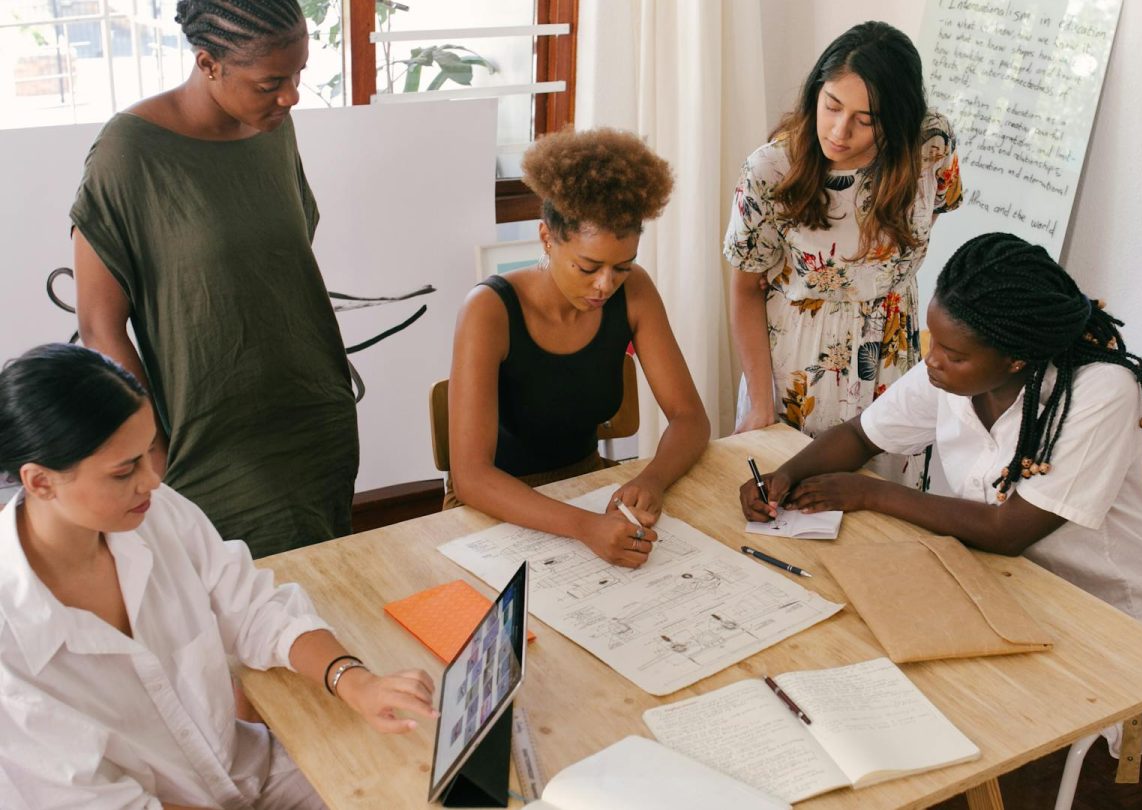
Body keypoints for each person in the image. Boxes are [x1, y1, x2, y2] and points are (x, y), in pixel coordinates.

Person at [740, 233, 1142, 749]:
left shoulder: (1099, 393)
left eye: (952, 353)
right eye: (933, 341)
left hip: (1097, 615)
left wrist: (870, 493)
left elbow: (1008, 529)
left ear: (1014, 359)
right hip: (996, 582)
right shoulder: (952, 373)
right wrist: (784, 475)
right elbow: (860, 435)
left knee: (922, 705)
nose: (933, 360)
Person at [0, 343, 435, 809]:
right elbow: (97, 800)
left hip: (256, 774)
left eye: (149, 452)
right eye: (125, 470)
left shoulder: (155, 512)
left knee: (421, 782)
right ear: (40, 481)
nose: (151, 480)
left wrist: (353, 680)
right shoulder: (12, 643)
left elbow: (254, 609)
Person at [71, 0, 357, 558]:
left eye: (298, 74)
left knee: (324, 594)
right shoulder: (128, 153)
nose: (291, 95)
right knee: (241, 614)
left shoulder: (272, 125)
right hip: (210, 439)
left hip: (315, 415)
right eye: (271, 81)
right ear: (208, 64)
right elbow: (99, 325)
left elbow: (276, 264)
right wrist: (151, 446)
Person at [448, 129, 711, 569]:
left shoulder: (635, 293)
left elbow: (690, 418)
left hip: (586, 489)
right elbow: (471, 478)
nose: (605, 285)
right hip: (495, 509)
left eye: (621, 267)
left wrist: (653, 479)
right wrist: (585, 527)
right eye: (588, 267)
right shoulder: (489, 310)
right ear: (547, 238)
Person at [725, 20, 963, 487]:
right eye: (831, 105)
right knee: (788, 506)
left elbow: (929, 218)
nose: (838, 130)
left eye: (866, 119)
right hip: (798, 366)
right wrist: (759, 402)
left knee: (886, 517)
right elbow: (744, 288)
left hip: (893, 359)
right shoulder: (772, 169)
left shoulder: (930, 146)